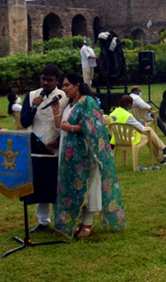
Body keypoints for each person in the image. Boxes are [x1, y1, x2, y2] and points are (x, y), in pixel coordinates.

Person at [52, 72, 126, 239]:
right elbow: (60, 126)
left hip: (86, 153)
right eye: (62, 86)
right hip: (68, 153)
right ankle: (77, 220)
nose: (64, 89)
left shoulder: (88, 102)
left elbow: (93, 127)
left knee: (89, 186)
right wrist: (56, 110)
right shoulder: (69, 104)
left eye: (67, 85)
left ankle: (88, 223)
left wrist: (70, 128)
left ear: (77, 85)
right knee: (72, 186)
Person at [20, 64, 69, 233]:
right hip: (36, 147)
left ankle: (60, 221)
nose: (45, 83)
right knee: (39, 186)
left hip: (56, 147)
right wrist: (33, 107)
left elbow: (68, 121)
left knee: (55, 185)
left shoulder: (64, 96)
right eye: (43, 79)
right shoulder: (32, 95)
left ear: (57, 80)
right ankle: (43, 221)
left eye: (49, 80)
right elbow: (24, 122)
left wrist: (58, 139)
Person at [110, 95, 166, 165]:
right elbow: (141, 128)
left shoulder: (113, 114)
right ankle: (163, 153)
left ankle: (163, 155)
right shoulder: (127, 115)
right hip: (129, 139)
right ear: (128, 105)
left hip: (118, 139)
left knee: (148, 133)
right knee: (149, 132)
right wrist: (143, 125)